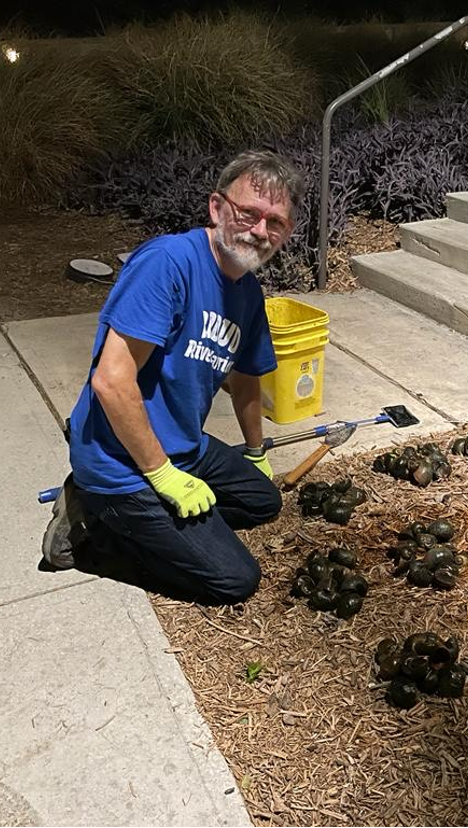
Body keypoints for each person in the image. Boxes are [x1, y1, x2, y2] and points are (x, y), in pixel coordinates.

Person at [42, 149, 304, 605]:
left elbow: (245, 378)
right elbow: (111, 381)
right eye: (248, 213)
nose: (260, 230)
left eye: (275, 222)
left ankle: (161, 525)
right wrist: (162, 476)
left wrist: (257, 452)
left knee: (263, 502)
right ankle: (92, 530)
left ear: (287, 233)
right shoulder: (168, 263)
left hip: (185, 447)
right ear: (217, 208)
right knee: (233, 580)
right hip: (120, 465)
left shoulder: (247, 291)